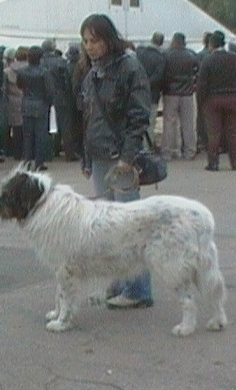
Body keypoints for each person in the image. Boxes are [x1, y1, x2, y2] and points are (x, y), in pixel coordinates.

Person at [80, 13, 153, 309]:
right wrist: (86, 157)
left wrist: (127, 156)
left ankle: (138, 289)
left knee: (129, 227)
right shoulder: (91, 72)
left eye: (94, 40)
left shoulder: (129, 67)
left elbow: (139, 116)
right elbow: (88, 117)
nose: (89, 46)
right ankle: (120, 282)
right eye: (85, 41)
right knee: (108, 229)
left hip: (120, 158)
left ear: (108, 39)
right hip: (99, 155)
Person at [196, 30, 236, 172]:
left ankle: (213, 163)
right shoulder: (235, 58)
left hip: (213, 99)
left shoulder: (208, 60)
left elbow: (202, 83)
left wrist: (201, 101)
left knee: (214, 133)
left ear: (211, 44)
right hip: (232, 97)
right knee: (233, 132)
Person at [160, 32, 198, 161]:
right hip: (187, 93)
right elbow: (196, 71)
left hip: (170, 92)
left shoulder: (166, 55)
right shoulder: (191, 55)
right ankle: (190, 151)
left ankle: (167, 152)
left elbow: (162, 73)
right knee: (188, 123)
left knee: (169, 123)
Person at [16, 45, 54, 171]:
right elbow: (49, 91)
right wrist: (49, 102)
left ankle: (26, 161)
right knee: (40, 135)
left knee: (27, 135)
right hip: (41, 104)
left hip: (26, 103)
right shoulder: (45, 72)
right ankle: (39, 162)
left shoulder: (21, 72)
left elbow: (19, 86)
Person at [135, 31, 166, 143]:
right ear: (161, 43)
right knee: (150, 122)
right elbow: (159, 76)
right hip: (153, 95)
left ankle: (137, 145)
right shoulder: (160, 58)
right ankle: (147, 147)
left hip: (137, 93)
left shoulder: (140, 53)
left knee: (137, 121)